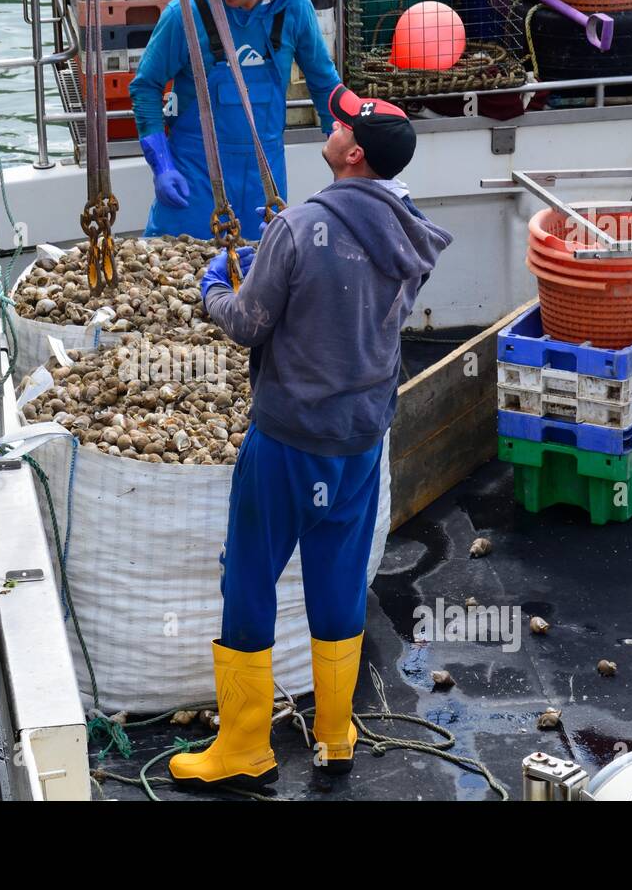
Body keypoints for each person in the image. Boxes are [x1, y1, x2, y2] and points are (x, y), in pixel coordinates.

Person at [171, 85, 454, 789]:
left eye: (341, 124)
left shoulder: (297, 229)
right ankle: (335, 735)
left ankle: (243, 748)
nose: (331, 125)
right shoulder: (409, 231)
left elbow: (246, 323)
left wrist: (212, 285)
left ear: (352, 154)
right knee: (335, 579)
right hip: (360, 441)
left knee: (249, 579)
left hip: (290, 439)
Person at [130, 0, 342, 242]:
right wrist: (161, 164)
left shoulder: (294, 7)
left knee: (264, 273)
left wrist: (342, 157)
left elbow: (325, 84)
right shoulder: (185, 14)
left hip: (264, 179)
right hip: (195, 177)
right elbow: (145, 86)